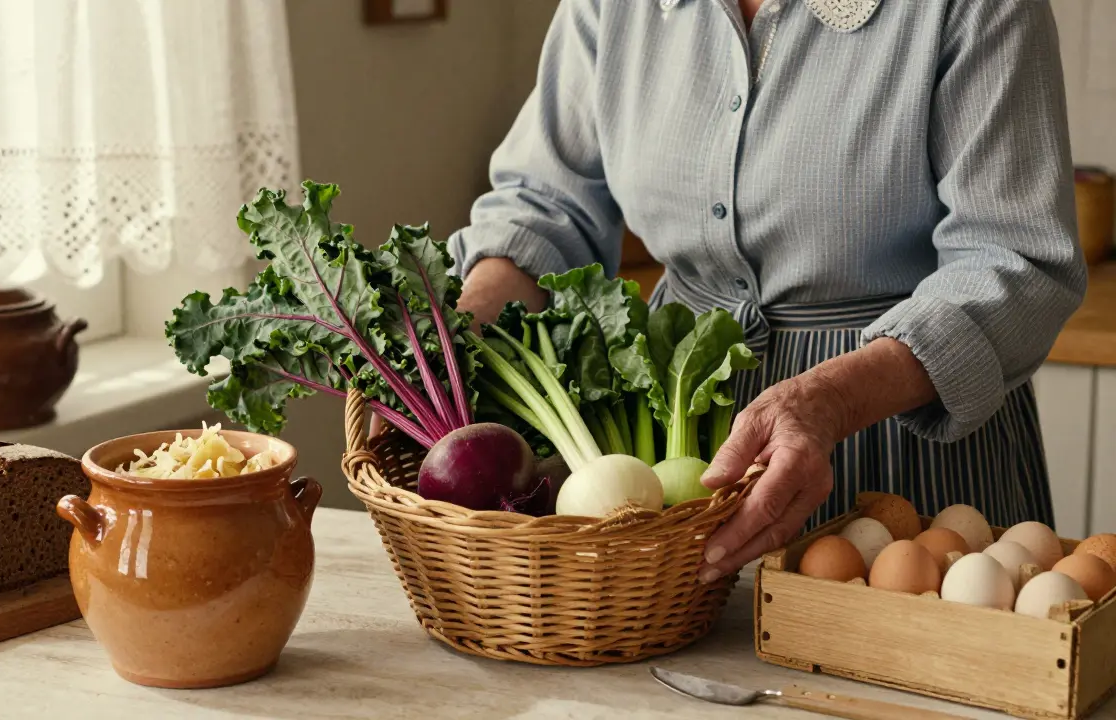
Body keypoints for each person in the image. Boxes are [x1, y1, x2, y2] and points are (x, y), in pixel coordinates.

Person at [446, 0, 1086, 583]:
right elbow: (545, 206)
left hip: (903, 438)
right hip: (671, 451)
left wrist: (831, 400)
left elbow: (1015, 258)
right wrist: (457, 333)